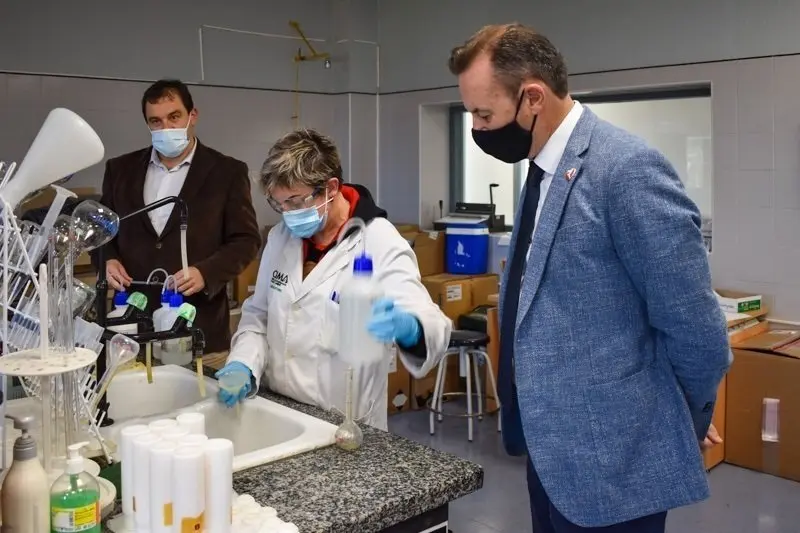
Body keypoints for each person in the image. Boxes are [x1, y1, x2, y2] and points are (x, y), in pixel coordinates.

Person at [448, 24, 731, 533]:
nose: (478, 128)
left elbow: (696, 328)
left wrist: (677, 416)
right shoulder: (543, 171)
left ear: (532, 96)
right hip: (550, 452)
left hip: (616, 460)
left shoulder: (626, 170)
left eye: (484, 114)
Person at [214, 128, 451, 430]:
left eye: (296, 202)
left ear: (330, 188)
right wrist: (243, 364)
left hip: (344, 425)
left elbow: (432, 323)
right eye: (279, 204)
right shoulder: (280, 238)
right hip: (278, 411)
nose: (287, 214)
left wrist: (411, 329)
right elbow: (259, 314)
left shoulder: (379, 241)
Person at [99, 79, 261, 355]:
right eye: (156, 121)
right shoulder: (120, 170)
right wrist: (107, 259)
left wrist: (205, 272)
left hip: (199, 327)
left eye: (174, 117)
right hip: (130, 327)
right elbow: (102, 230)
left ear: (192, 115)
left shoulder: (227, 172)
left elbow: (246, 240)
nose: (166, 128)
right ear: (147, 124)